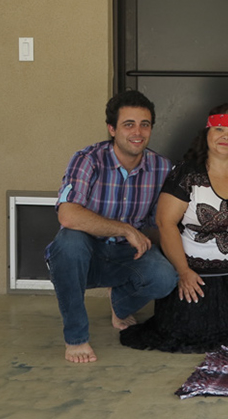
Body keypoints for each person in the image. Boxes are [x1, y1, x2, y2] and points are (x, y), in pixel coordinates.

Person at [120, 104, 228, 352]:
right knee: (193, 333)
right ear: (207, 133)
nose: (226, 137)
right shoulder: (187, 175)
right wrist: (183, 272)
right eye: (219, 129)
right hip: (198, 281)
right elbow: (164, 222)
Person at [44, 90, 178, 363]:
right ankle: (76, 338)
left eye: (145, 124)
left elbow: (160, 225)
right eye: (128, 124)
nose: (137, 132)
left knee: (165, 277)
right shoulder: (88, 159)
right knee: (68, 242)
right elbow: (68, 215)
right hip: (85, 254)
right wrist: (125, 229)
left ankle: (120, 303)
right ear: (112, 129)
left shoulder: (162, 168)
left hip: (127, 255)